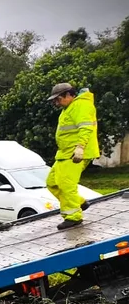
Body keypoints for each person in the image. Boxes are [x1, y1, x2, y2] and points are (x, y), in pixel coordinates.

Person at [45, 82, 100, 230]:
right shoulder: (69, 107)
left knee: (66, 184)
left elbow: (86, 128)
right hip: (65, 153)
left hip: (76, 153)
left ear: (69, 94)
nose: (56, 103)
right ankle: (80, 202)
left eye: (58, 99)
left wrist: (80, 147)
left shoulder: (81, 105)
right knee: (52, 182)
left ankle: (73, 217)